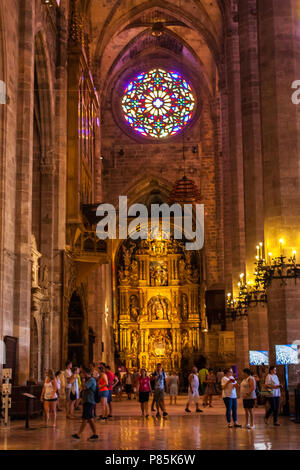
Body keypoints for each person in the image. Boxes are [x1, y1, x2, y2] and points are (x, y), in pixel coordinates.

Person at [72, 367, 98, 440]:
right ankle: (94, 434)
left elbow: (84, 387)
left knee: (86, 418)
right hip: (86, 401)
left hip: (90, 401)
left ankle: (79, 434)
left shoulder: (91, 380)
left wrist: (82, 380)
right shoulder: (88, 380)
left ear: (86, 373)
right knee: (88, 418)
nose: (82, 374)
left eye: (83, 373)